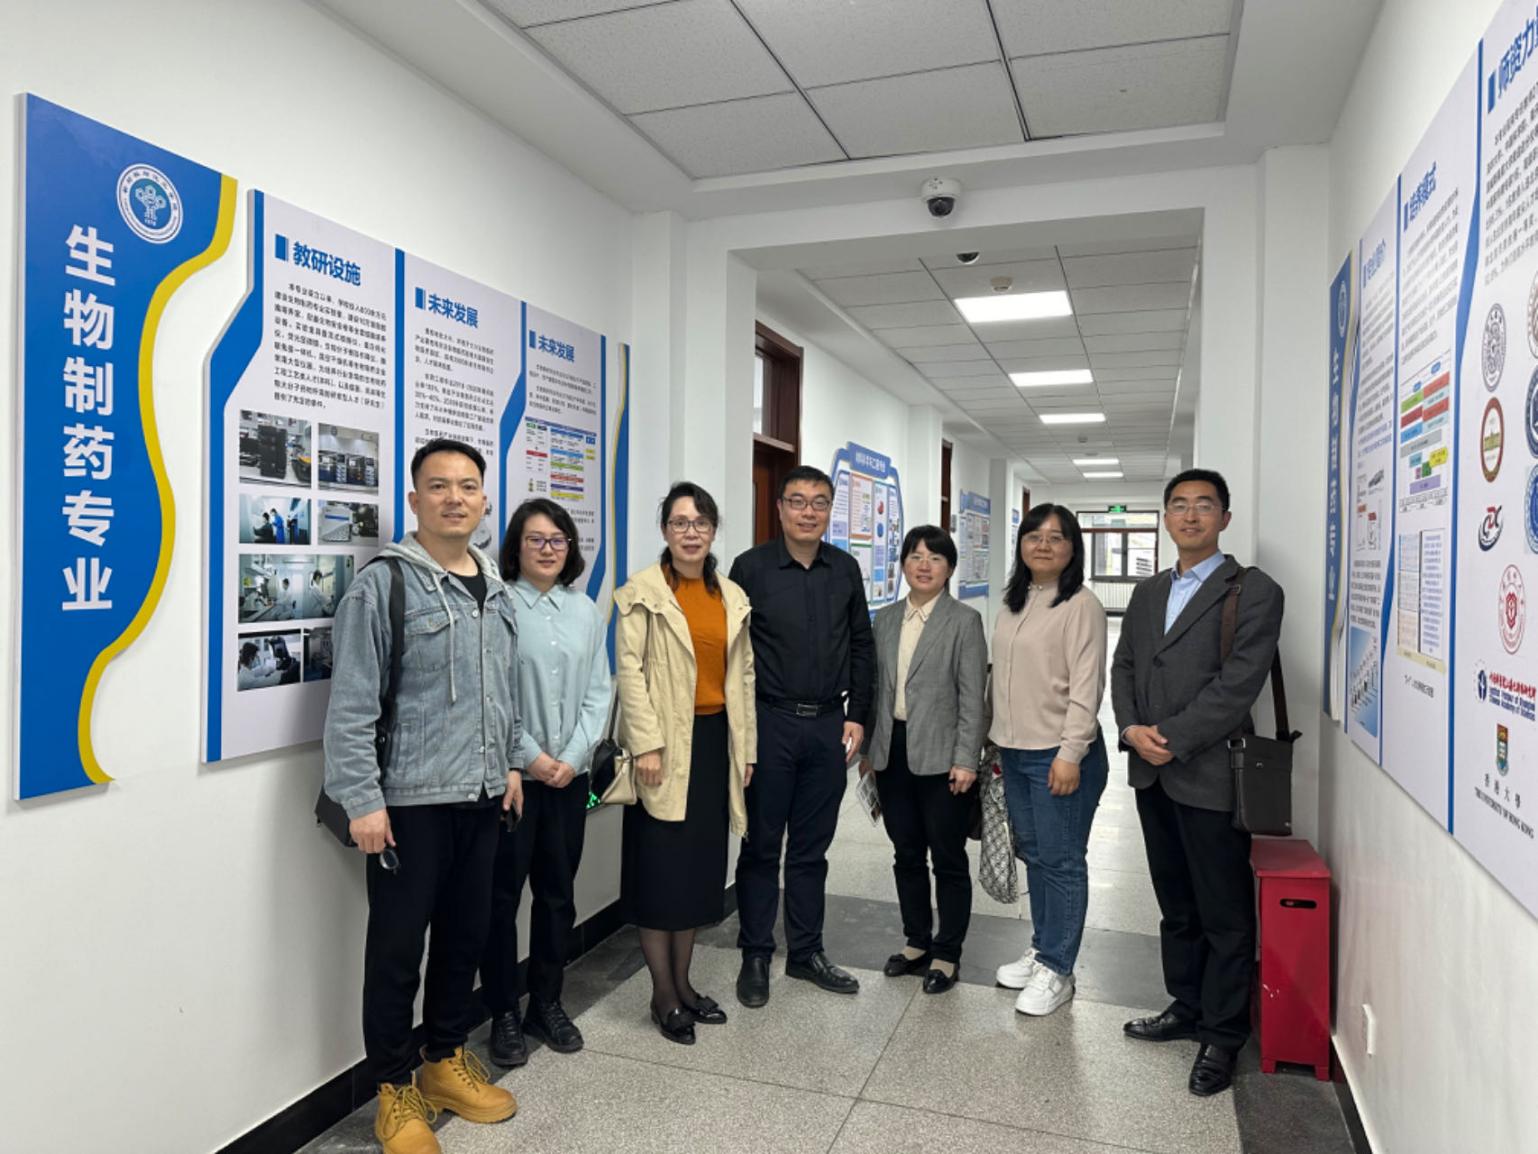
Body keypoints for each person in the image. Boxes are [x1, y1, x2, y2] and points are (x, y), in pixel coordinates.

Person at [323, 437, 522, 1154]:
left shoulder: (494, 586)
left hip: (481, 793)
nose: (454, 498)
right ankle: (394, 1090)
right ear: (414, 500)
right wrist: (362, 799)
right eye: (438, 486)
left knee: (466, 937)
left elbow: (503, 692)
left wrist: (512, 764)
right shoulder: (384, 586)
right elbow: (351, 706)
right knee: (398, 950)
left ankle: (443, 1061)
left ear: (484, 499)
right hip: (407, 801)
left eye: (467, 486)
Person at [1112, 469, 1284, 1097]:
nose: (1190, 516)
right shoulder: (1148, 591)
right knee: (1175, 904)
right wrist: (1130, 727)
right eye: (1179, 506)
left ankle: (1223, 1033)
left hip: (1210, 774)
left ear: (1224, 518)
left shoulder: (1255, 591)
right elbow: (1126, 664)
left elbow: (1238, 685)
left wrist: (1171, 736)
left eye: (1204, 506)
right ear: (1165, 517)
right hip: (1151, 773)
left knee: (1224, 912)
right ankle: (1185, 1006)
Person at [614, 482, 756, 1045]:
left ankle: (686, 985)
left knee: (697, 874)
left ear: (713, 530)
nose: (690, 532)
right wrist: (646, 745)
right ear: (665, 531)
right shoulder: (642, 592)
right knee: (659, 875)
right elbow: (630, 671)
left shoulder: (731, 595)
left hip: (715, 741)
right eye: (679, 522)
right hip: (664, 747)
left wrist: (745, 750)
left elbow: (743, 677)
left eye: (700, 522)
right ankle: (663, 995)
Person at [728, 465, 875, 1006]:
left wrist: (858, 715)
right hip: (770, 722)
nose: (808, 512)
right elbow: (734, 653)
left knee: (812, 848)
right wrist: (741, 732)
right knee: (762, 846)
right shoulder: (751, 568)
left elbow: (861, 644)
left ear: (830, 510)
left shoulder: (845, 568)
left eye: (819, 502)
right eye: (797, 501)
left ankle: (806, 952)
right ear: (780, 508)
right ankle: (756, 953)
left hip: (828, 726)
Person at [481, 498, 610, 1069]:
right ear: (516, 546)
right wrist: (531, 758)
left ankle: (546, 1003)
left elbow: (599, 692)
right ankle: (503, 1012)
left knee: (558, 895)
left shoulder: (584, 611)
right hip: (514, 780)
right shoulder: (498, 605)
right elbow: (494, 694)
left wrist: (572, 757)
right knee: (501, 898)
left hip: (569, 779)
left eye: (558, 540)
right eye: (535, 539)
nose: (548, 549)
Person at [990, 505, 1109, 1017]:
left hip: (1057, 754)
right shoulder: (1014, 602)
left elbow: (1087, 686)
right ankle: (1043, 949)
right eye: (1034, 536)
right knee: (1036, 855)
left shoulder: (1081, 605)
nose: (1043, 545)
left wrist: (1070, 752)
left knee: (1061, 861)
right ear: (1020, 544)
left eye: (1056, 538)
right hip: (1014, 751)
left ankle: (1059, 969)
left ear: (1072, 548)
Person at [860, 525, 986, 994]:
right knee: (906, 853)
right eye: (915, 556)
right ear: (903, 565)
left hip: (943, 756)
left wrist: (967, 759)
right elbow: (876, 688)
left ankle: (947, 952)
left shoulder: (964, 621)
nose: (924, 565)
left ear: (949, 568)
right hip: (892, 751)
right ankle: (917, 941)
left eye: (935, 557)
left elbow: (973, 697)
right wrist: (870, 750)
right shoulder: (886, 618)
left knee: (948, 857)